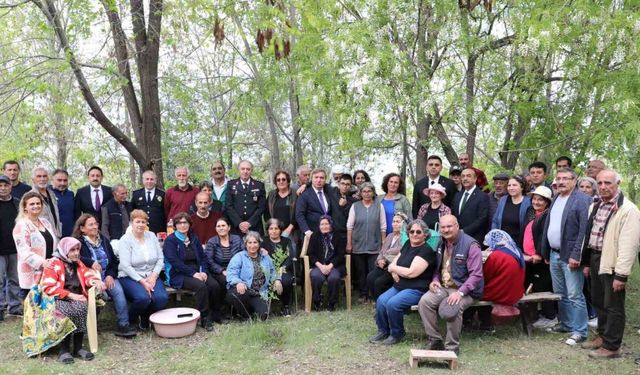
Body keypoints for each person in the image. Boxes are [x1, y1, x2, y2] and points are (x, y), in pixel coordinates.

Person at [580, 169, 640, 359]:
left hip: (613, 263)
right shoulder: (595, 205)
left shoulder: (628, 210)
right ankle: (603, 336)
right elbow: (590, 234)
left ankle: (613, 346)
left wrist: (621, 274)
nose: (603, 187)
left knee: (613, 305)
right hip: (596, 258)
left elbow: (629, 244)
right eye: (601, 183)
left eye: (608, 183)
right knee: (598, 300)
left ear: (618, 184)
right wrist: (587, 261)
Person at [418, 215, 483, 354]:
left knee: (452, 307)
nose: (446, 230)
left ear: (457, 226)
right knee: (425, 302)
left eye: (449, 226)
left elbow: (476, 275)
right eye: (443, 227)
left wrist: (460, 293)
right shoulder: (441, 243)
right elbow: (437, 268)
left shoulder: (471, 245)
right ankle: (435, 340)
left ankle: (452, 347)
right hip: (445, 287)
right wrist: (435, 280)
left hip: (466, 290)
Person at [541, 167, 591, 346]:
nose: (560, 181)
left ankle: (580, 331)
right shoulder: (556, 198)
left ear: (574, 180)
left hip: (570, 256)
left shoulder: (582, 199)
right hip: (555, 254)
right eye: (558, 178)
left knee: (575, 294)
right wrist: (546, 251)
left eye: (565, 178)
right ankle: (566, 324)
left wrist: (576, 255)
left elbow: (584, 231)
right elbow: (550, 225)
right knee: (560, 294)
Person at [370, 219, 437, 345]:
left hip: (416, 289)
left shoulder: (426, 250)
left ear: (425, 235)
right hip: (400, 286)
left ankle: (397, 333)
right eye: (412, 231)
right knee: (381, 301)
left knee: (393, 303)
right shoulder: (407, 244)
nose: (415, 234)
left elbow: (411, 273)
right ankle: (383, 330)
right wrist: (394, 269)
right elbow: (396, 260)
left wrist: (393, 269)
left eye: (418, 232)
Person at [40, 237, 103, 364]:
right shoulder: (54, 263)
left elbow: (86, 275)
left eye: (77, 249)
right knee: (66, 312)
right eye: (72, 250)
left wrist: (94, 281)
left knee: (81, 308)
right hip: (58, 297)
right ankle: (64, 350)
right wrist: (70, 295)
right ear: (64, 250)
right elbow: (48, 287)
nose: (76, 253)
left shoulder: (78, 262)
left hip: (75, 297)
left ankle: (78, 348)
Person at [74, 214, 136, 337]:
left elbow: (113, 261)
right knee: (102, 295)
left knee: (118, 291)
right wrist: (90, 262)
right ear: (82, 228)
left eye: (96, 224)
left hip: (106, 276)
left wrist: (110, 275)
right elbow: (75, 257)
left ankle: (123, 325)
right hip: (90, 279)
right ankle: (90, 327)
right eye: (90, 225)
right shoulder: (78, 243)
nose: (95, 227)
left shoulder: (103, 240)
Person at [163, 212, 223, 330]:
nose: (182, 225)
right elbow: (175, 262)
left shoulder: (193, 237)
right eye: (179, 223)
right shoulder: (171, 240)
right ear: (175, 225)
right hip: (178, 274)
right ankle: (205, 319)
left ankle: (216, 314)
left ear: (189, 224)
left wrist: (203, 271)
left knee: (214, 285)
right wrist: (194, 274)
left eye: (185, 222)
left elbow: (202, 258)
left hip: (197, 271)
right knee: (201, 286)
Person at [464, 230, 525, 331]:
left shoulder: (496, 256)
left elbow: (484, 276)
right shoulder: (516, 251)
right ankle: (484, 323)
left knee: (474, 292)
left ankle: (471, 322)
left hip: (503, 293)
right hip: (516, 291)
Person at [117, 209, 168, 330]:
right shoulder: (125, 239)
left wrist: (154, 276)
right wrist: (142, 281)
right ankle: (131, 320)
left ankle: (146, 317)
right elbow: (125, 265)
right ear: (132, 223)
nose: (140, 224)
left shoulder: (151, 236)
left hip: (151, 275)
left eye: (143, 222)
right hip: (130, 276)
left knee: (162, 298)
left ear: (146, 224)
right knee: (142, 298)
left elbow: (160, 258)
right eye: (137, 221)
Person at [522, 186, 558, 329]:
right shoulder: (531, 213)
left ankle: (551, 316)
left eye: (540, 200)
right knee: (532, 286)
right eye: (534, 199)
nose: (536, 202)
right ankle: (536, 315)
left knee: (543, 286)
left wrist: (539, 254)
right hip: (528, 257)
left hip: (540, 258)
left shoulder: (548, 216)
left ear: (547, 202)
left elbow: (545, 238)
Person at [226, 231, 282, 321]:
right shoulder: (239, 257)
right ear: (246, 244)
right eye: (250, 242)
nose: (252, 245)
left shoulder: (265, 257)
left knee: (264, 315)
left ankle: (252, 312)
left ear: (259, 244)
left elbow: (272, 271)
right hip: (244, 290)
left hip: (258, 293)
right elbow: (231, 273)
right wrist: (238, 282)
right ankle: (245, 317)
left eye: (255, 242)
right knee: (239, 294)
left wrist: (277, 280)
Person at [347, 182, 386, 301]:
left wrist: (383, 243)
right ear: (361, 193)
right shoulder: (355, 206)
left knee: (373, 271)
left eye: (369, 191)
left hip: (375, 244)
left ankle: (372, 294)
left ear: (373, 193)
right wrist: (349, 243)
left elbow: (383, 226)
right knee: (361, 271)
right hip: (358, 243)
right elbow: (349, 226)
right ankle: (363, 294)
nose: (367, 194)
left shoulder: (379, 206)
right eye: (364, 191)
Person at [13, 191, 57, 289]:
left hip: (49, 272)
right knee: (32, 304)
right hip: (32, 275)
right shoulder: (22, 225)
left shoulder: (46, 222)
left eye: (38, 203)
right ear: (25, 207)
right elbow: (24, 252)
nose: (36, 206)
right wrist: (42, 263)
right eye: (32, 204)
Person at [205, 217, 245, 307]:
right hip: (219, 271)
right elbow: (209, 261)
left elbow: (244, 254)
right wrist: (222, 270)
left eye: (223, 225)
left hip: (236, 269)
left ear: (229, 227)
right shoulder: (212, 242)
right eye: (218, 226)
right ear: (216, 229)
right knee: (225, 281)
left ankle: (238, 307)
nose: (221, 228)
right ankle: (225, 307)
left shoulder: (237, 239)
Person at [308, 216, 346, 310]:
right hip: (319, 265)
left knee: (334, 277)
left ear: (330, 225)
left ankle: (332, 303)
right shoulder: (314, 236)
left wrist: (330, 266)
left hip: (334, 265)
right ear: (319, 226)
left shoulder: (338, 236)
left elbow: (340, 254)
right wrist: (321, 266)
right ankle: (317, 302)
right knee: (316, 276)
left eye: (326, 224)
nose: (324, 226)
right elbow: (311, 254)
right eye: (322, 224)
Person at [366, 213, 406, 300]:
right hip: (383, 265)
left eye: (398, 222)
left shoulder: (405, 237)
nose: (395, 224)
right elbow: (381, 251)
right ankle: (376, 300)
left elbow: (399, 251)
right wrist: (380, 260)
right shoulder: (389, 236)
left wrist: (386, 256)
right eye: (394, 221)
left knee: (379, 282)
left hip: (393, 267)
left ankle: (382, 302)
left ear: (403, 224)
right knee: (370, 277)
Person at [262, 218, 295, 316]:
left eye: (276, 228)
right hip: (267, 270)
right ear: (267, 230)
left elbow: (291, 256)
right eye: (271, 228)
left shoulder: (287, 241)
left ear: (280, 230)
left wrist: (281, 269)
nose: (273, 231)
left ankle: (285, 306)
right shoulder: (263, 241)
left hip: (284, 269)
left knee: (286, 280)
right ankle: (264, 306)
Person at [225, 160, 267, 235]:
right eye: (243, 169)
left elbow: (261, 207)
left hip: (255, 227)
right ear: (239, 170)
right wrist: (239, 223)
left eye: (248, 169)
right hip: (236, 228)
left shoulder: (259, 185)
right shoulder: (231, 184)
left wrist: (249, 223)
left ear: (251, 171)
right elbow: (228, 206)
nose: (245, 171)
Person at [0, 176, 21, 319]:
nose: (2, 188)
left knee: (14, 279)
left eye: (5, 185)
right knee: (0, 280)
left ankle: (14, 306)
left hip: (15, 248)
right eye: (0, 185)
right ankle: (0, 308)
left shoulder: (17, 203)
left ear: (10, 186)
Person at [491, 176, 531, 248]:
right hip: (501, 244)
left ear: (522, 187)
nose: (511, 188)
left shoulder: (528, 202)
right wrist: (495, 238)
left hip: (518, 245)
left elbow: (529, 227)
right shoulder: (503, 200)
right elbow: (495, 221)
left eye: (514, 185)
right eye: (509, 185)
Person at [452, 168, 490, 243]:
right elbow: (453, 214)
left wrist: (464, 231)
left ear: (475, 179)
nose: (465, 178)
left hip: (474, 238)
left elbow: (482, 219)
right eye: (463, 176)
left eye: (468, 176)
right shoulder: (457, 195)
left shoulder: (482, 196)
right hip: (457, 238)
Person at [296, 168, 333, 236]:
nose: (319, 180)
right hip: (311, 234)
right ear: (311, 179)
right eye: (316, 177)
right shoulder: (304, 194)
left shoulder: (329, 192)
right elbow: (299, 215)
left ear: (325, 180)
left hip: (328, 234)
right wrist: (307, 231)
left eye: (322, 178)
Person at [131, 170, 166, 234]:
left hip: (158, 230)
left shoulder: (163, 194)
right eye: (147, 179)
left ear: (155, 181)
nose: (149, 181)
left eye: (151, 179)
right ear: (143, 180)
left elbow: (166, 212)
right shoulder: (136, 194)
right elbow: (132, 212)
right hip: (141, 230)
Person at [265, 170, 297, 240]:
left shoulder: (295, 194)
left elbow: (298, 213)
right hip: (274, 232)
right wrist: (272, 229)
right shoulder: (271, 195)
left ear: (288, 181)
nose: (281, 181)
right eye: (278, 180)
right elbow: (266, 213)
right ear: (275, 182)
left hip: (291, 232)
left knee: (290, 251)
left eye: (283, 179)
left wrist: (290, 228)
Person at [30, 167, 61, 238]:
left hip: (55, 236)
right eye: (39, 176)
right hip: (40, 238)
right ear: (33, 180)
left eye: (44, 176)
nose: (42, 179)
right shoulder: (30, 196)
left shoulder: (52, 194)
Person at [331, 174, 356, 244]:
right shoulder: (332, 192)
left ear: (351, 186)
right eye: (342, 183)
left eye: (347, 184)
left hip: (346, 235)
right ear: (338, 184)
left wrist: (345, 206)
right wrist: (305, 185)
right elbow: (320, 182)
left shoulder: (354, 200)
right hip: (332, 233)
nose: (345, 186)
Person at [51, 169, 75, 237]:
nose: (62, 183)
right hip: (55, 234)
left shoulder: (70, 194)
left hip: (71, 234)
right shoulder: (48, 193)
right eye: (59, 180)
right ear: (52, 180)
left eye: (65, 180)